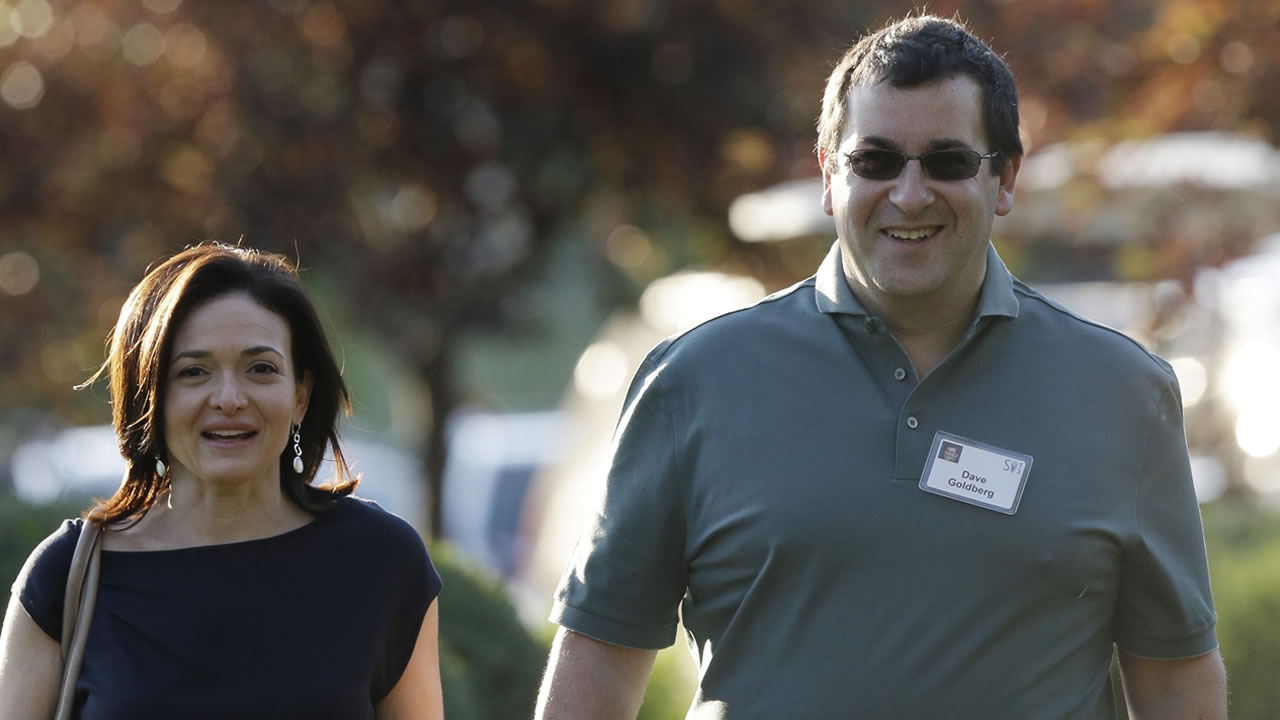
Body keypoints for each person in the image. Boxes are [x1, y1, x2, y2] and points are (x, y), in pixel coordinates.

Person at [535, 14, 1226, 720]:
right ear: (830, 175)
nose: (910, 193)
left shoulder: (1122, 393)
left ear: (1006, 177)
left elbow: (1174, 679)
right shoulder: (693, 382)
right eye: (877, 160)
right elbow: (598, 655)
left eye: (949, 161)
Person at [0, 243, 444, 719]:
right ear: (150, 399)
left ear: (300, 395)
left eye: (260, 368)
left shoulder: (381, 562)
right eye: (194, 372)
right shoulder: (66, 576)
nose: (229, 398)